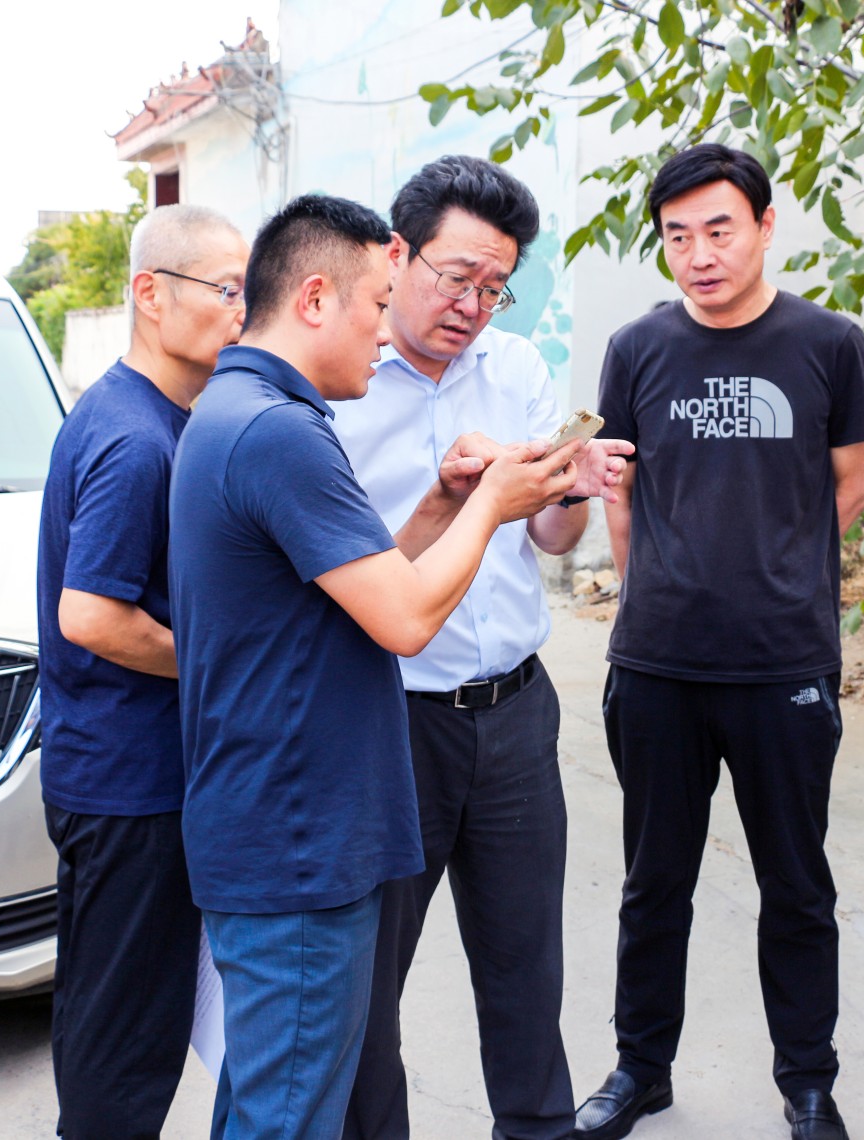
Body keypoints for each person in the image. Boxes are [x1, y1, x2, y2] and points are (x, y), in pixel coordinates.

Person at [168, 193, 583, 1140]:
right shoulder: (279, 432)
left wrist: (444, 504)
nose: (384, 334)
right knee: (292, 1111)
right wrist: (496, 503)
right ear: (316, 298)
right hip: (298, 836)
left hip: (281, 817)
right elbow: (403, 620)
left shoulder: (243, 410)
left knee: (271, 1097)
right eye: (376, 305)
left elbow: (360, 586)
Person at [575, 143, 864, 1140]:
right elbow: (623, 494)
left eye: (719, 229)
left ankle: (809, 1082)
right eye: (677, 236)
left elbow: (849, 481)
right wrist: (653, 590)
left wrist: (777, 564)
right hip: (657, 665)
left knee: (797, 885)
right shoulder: (637, 348)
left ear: (763, 226)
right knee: (654, 882)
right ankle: (640, 1069)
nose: (699, 254)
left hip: (784, 663)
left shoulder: (829, 344)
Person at [334, 156, 629, 1140]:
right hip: (388, 722)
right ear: (397, 253)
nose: (472, 305)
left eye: (495, 286)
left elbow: (551, 541)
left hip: (512, 713)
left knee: (524, 967)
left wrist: (572, 489)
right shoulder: (337, 385)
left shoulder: (516, 369)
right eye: (456, 276)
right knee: (371, 982)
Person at [36, 203, 248, 1138]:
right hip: (129, 784)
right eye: (227, 289)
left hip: (130, 772)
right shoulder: (135, 438)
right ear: (150, 295)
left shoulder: (155, 417)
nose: (242, 310)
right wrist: (219, 666)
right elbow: (89, 615)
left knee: (123, 1017)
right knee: (124, 1043)